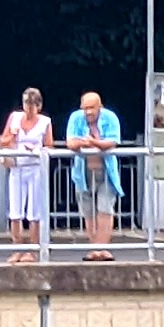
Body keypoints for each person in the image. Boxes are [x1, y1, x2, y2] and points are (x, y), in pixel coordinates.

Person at [64, 89, 125, 259]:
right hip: (83, 173)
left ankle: (103, 248)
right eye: (86, 108)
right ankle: (94, 248)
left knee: (105, 209)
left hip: (106, 172)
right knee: (89, 212)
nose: (89, 112)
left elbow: (112, 142)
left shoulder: (110, 117)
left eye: (92, 108)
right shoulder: (76, 118)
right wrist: (84, 143)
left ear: (100, 107)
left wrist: (93, 142)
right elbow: (70, 142)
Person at [0, 88, 53, 262]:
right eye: (25, 103)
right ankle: (17, 249)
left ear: (39, 106)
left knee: (35, 211)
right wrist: (12, 137)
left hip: (35, 168)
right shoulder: (14, 118)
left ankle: (33, 250)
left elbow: (50, 146)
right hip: (17, 166)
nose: (27, 108)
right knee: (15, 210)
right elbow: (3, 140)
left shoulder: (45, 122)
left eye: (31, 105)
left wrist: (36, 150)